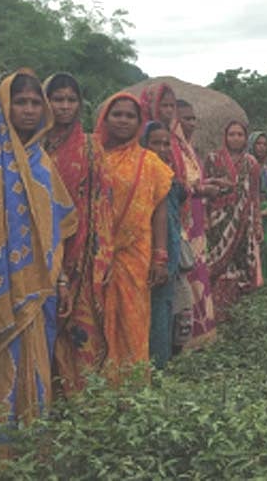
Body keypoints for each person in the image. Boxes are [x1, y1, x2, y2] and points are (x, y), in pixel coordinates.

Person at [0, 71, 77, 448]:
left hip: (39, 292)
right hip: (0, 292)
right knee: (0, 373)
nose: (29, 110)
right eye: (21, 102)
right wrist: (6, 284)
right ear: (4, 105)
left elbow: (57, 224)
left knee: (37, 370)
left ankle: (31, 451)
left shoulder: (41, 160)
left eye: (34, 103)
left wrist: (57, 279)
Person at [44, 73, 116, 393]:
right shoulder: (31, 145)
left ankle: (81, 397)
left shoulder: (90, 146)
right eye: (57, 99)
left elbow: (102, 201)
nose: (64, 106)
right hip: (40, 249)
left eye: (71, 100)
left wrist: (100, 255)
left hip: (83, 252)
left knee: (81, 327)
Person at [96, 92, 173, 375]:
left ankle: (131, 385)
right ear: (105, 117)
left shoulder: (149, 163)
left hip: (135, 254)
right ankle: (94, 389)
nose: (123, 121)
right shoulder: (91, 155)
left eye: (131, 116)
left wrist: (160, 257)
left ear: (140, 122)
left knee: (133, 320)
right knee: (95, 320)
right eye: (117, 114)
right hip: (94, 257)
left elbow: (160, 212)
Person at [172, 99, 218, 349]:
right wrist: (202, 189)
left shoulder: (188, 149)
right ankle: (182, 339)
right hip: (182, 224)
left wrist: (207, 185)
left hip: (196, 221)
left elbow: (192, 182)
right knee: (186, 278)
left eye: (193, 118)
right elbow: (176, 186)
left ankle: (199, 331)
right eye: (185, 118)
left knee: (198, 274)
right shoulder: (170, 148)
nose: (190, 123)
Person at [205, 120, 262, 319]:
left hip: (243, 221)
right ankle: (212, 308)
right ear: (225, 136)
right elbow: (204, 188)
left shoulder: (251, 163)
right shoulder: (213, 158)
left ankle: (233, 308)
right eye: (232, 134)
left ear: (245, 138)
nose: (236, 138)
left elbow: (254, 194)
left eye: (240, 134)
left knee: (239, 263)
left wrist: (256, 223)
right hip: (217, 220)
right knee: (216, 261)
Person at [141, 121, 185, 368]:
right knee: (153, 308)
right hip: (148, 250)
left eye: (166, 143)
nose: (162, 148)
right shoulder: (144, 171)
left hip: (168, 248)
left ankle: (161, 362)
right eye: (155, 143)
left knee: (164, 306)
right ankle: (152, 365)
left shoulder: (168, 172)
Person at [250, 131, 267, 280]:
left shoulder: (265, 169)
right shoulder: (249, 165)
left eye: (264, 144)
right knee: (256, 245)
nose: (261, 147)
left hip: (266, 209)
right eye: (258, 144)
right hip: (253, 208)